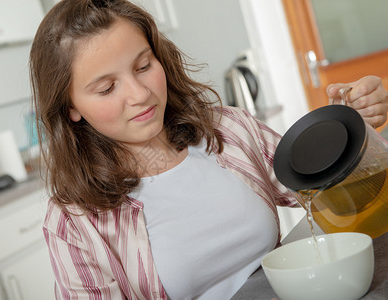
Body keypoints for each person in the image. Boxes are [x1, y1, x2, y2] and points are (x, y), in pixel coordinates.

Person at [29, 0, 388, 299]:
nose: (139, 95)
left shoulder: (227, 130)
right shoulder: (73, 221)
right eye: (107, 88)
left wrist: (358, 133)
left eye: (144, 66)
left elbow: (335, 196)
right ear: (71, 107)